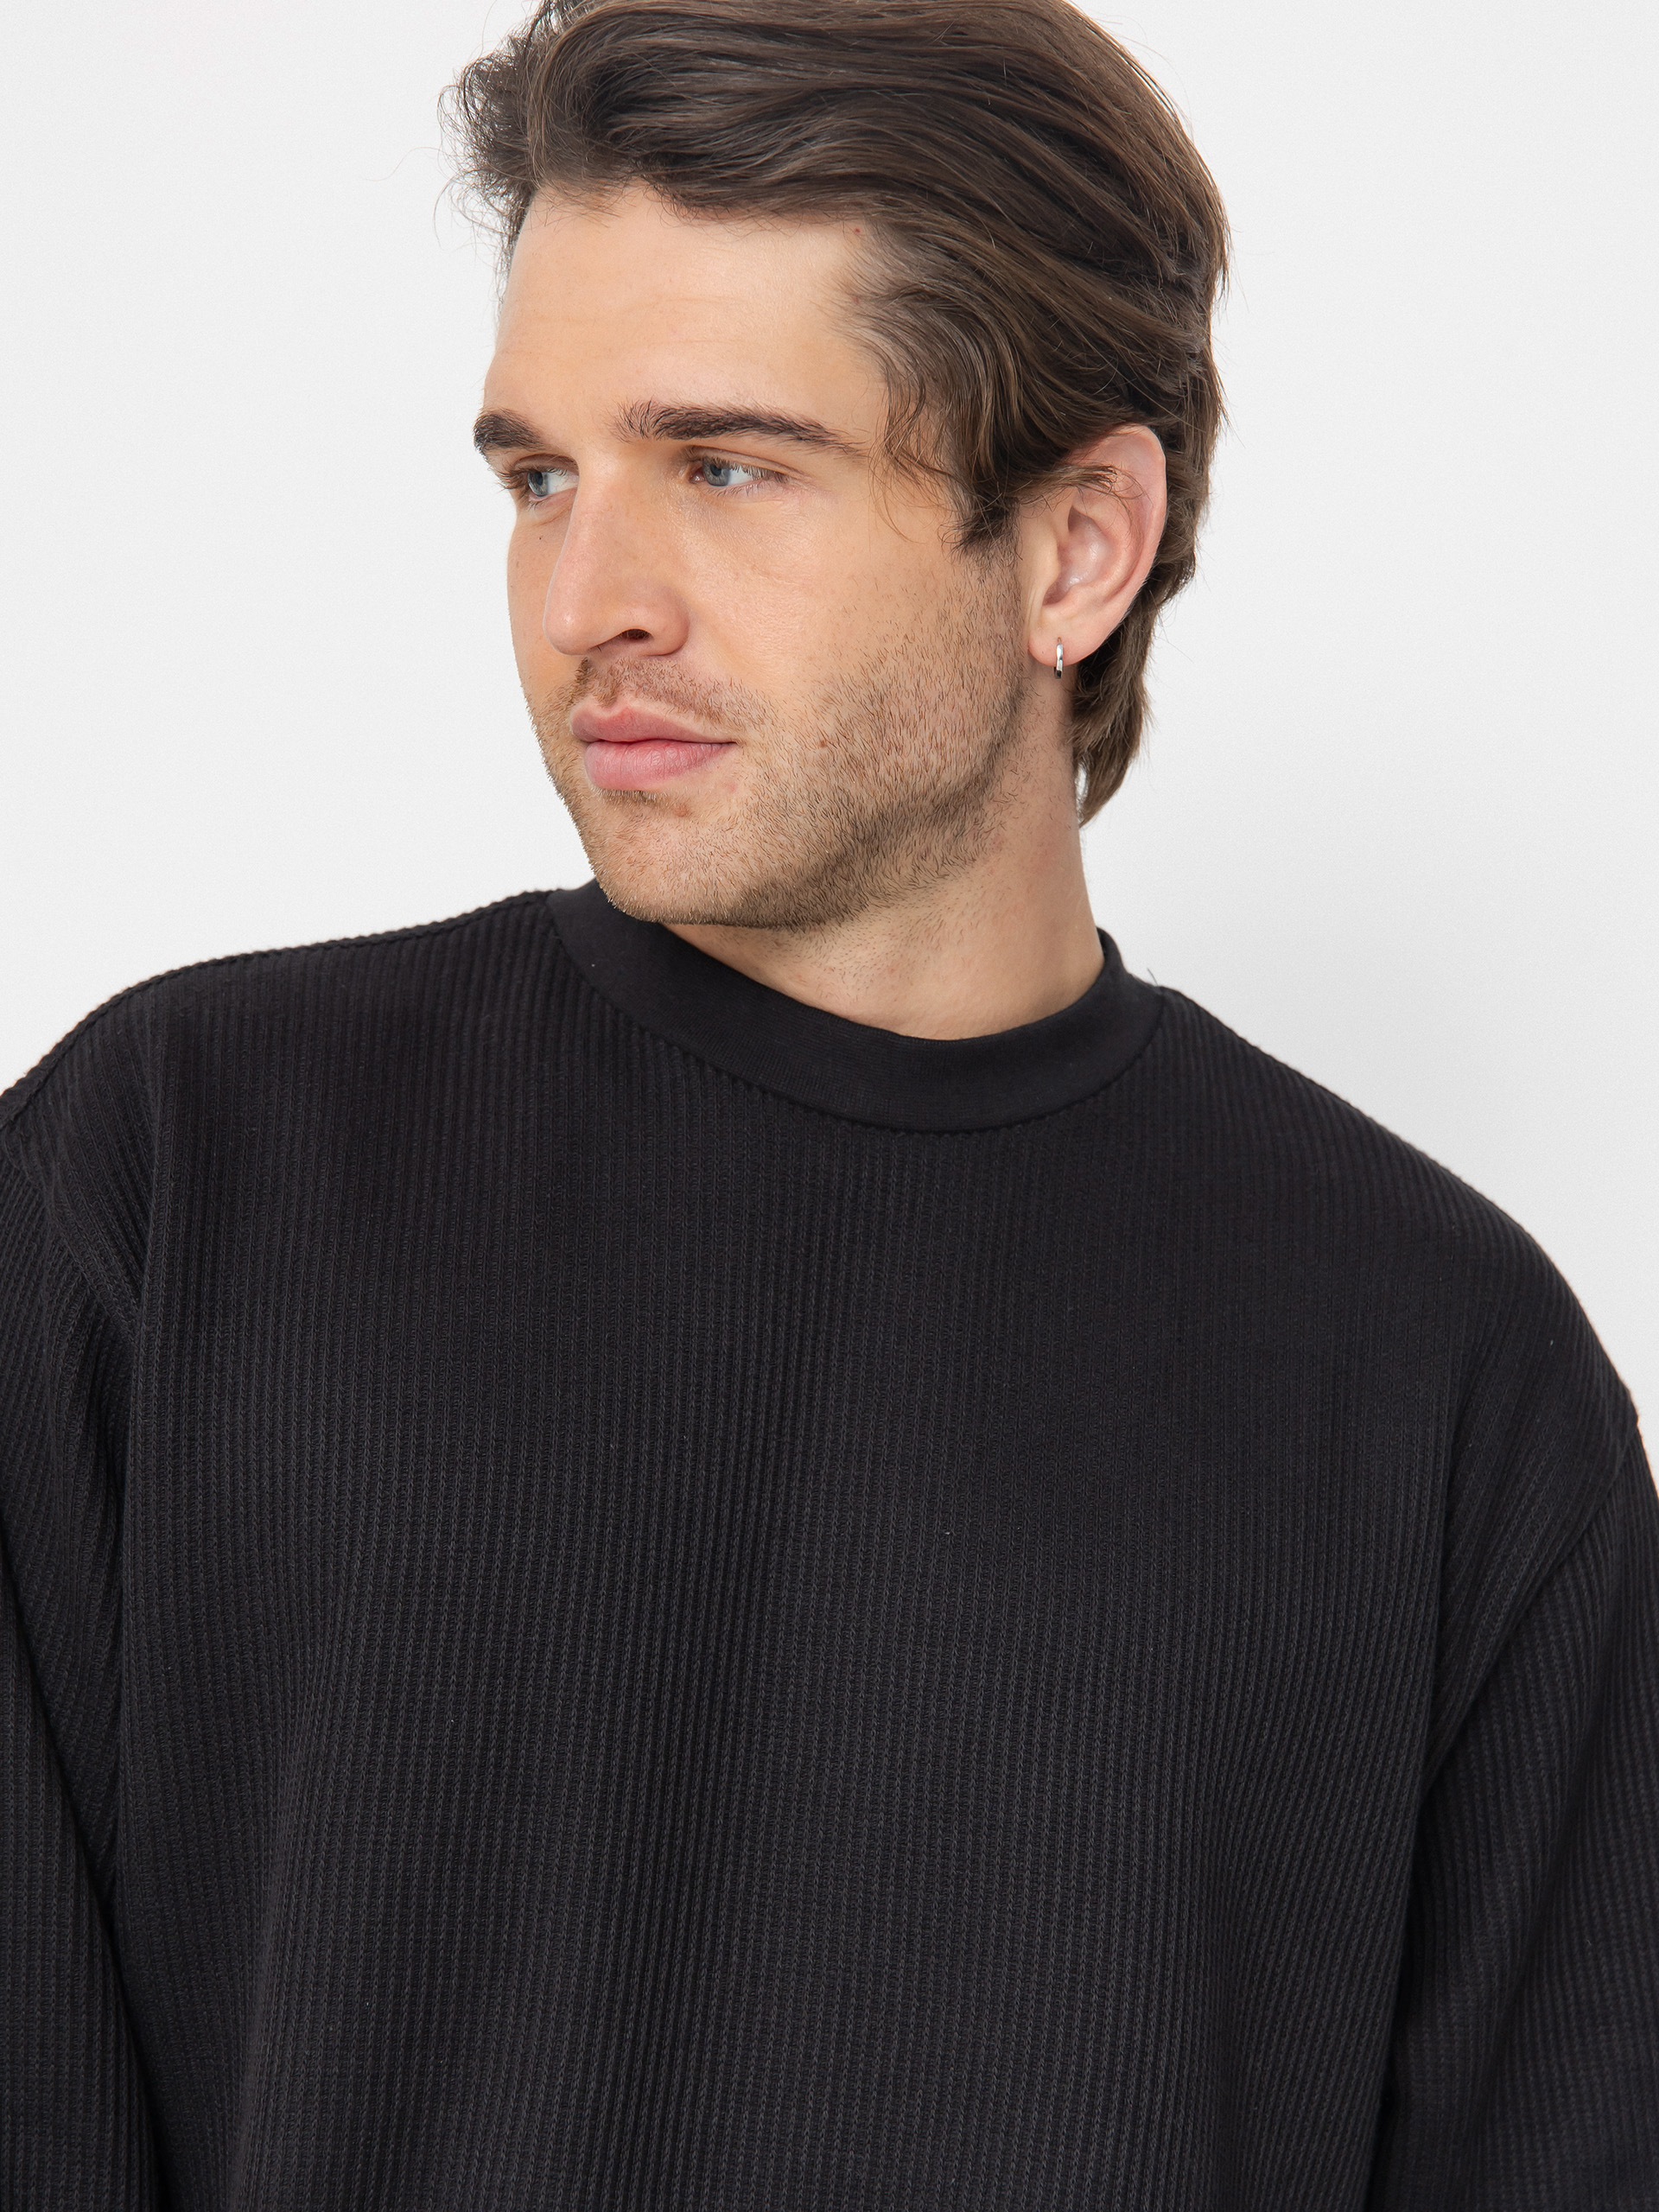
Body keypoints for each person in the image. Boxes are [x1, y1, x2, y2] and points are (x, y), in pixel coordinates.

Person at [3, 0, 1654, 2202]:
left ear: (1077, 545)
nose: (587, 602)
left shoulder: (1449, 1376)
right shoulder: (168, 1178)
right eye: (539, 477)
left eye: (727, 465)